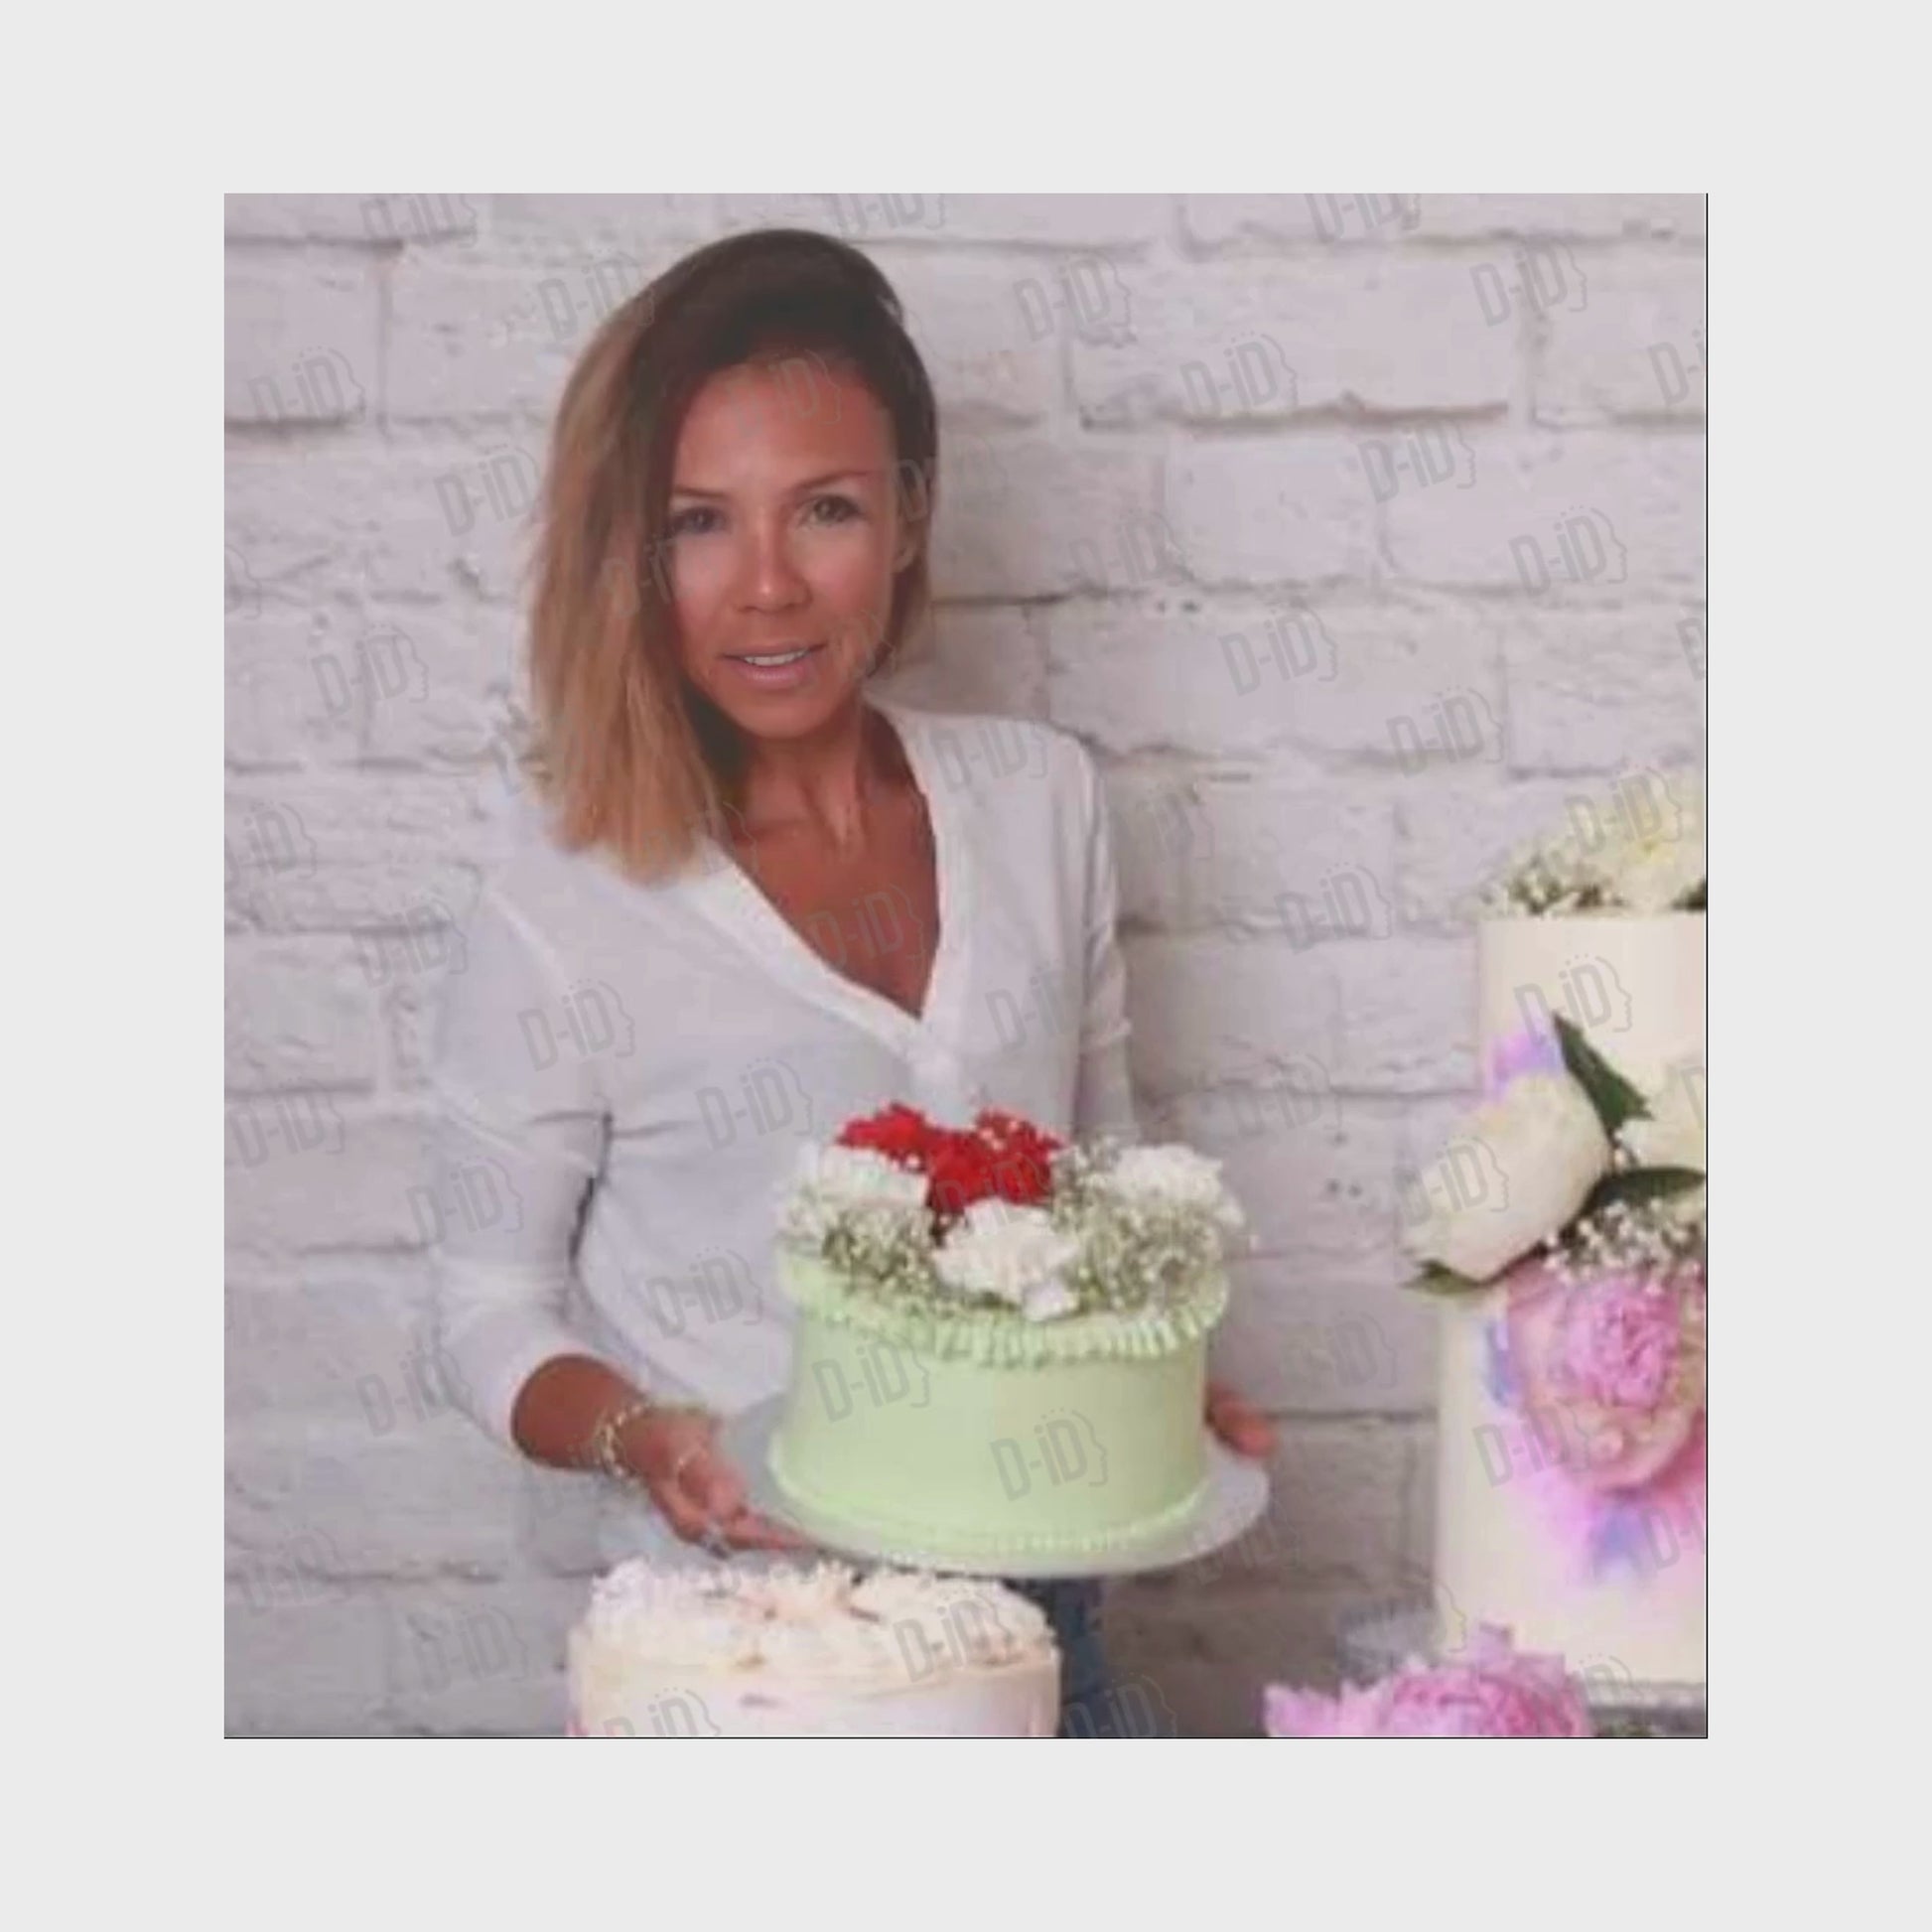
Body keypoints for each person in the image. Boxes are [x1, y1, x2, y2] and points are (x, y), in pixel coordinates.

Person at [429, 227, 1275, 1735]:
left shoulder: (1041, 798)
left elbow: (1102, 1178)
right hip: (749, 1661)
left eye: (824, 508)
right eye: (699, 522)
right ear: (634, 553)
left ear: (907, 517)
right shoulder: (561, 904)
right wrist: (648, 1435)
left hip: (1043, 1631)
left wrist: (1147, 1377)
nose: (766, 585)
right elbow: (484, 1311)